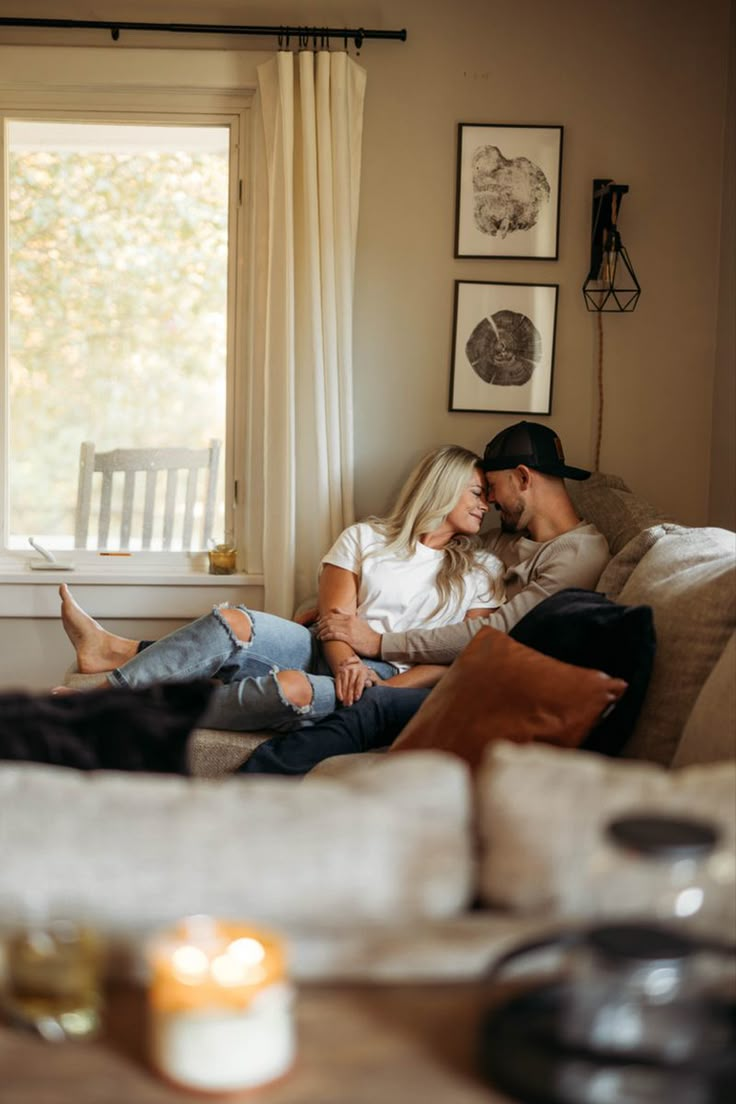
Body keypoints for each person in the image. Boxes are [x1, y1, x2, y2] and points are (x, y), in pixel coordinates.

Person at [235, 420, 613, 773]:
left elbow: (493, 630)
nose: (491, 502)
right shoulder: (503, 542)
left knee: (375, 703)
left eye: (492, 488)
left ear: (523, 477)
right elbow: (429, 568)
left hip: (494, 686)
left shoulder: (580, 553)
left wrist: (380, 642)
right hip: (449, 671)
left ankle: (252, 782)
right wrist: (333, 604)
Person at [58, 445, 505, 734]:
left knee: (292, 689)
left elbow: (463, 655)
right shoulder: (364, 539)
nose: (486, 505)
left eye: (486, 496)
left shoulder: (483, 569)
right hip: (326, 651)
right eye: (476, 492)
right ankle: (102, 696)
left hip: (391, 677)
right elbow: (333, 622)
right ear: (442, 489)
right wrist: (348, 663)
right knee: (232, 619)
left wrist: (388, 688)